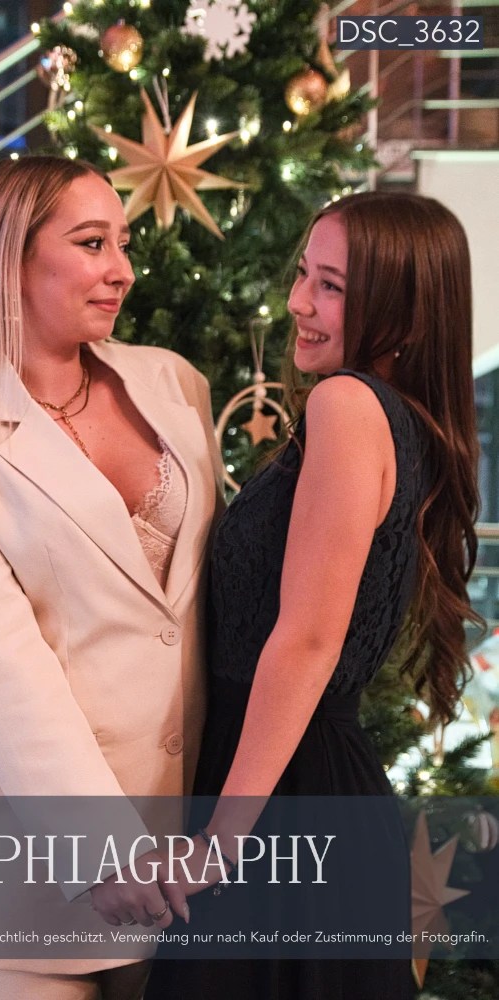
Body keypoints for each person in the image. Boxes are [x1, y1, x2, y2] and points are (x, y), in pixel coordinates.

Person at [0, 155, 224, 1000]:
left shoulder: (174, 384)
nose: (123, 270)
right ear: (7, 260)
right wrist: (99, 850)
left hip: (179, 856)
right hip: (19, 865)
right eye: (93, 243)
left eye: (124, 243)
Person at [142, 191, 482, 999]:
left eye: (332, 287)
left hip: (285, 803)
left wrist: (219, 842)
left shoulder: (349, 405)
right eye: (304, 274)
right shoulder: (400, 419)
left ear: (403, 317)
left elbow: (308, 640)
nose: (298, 301)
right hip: (303, 793)